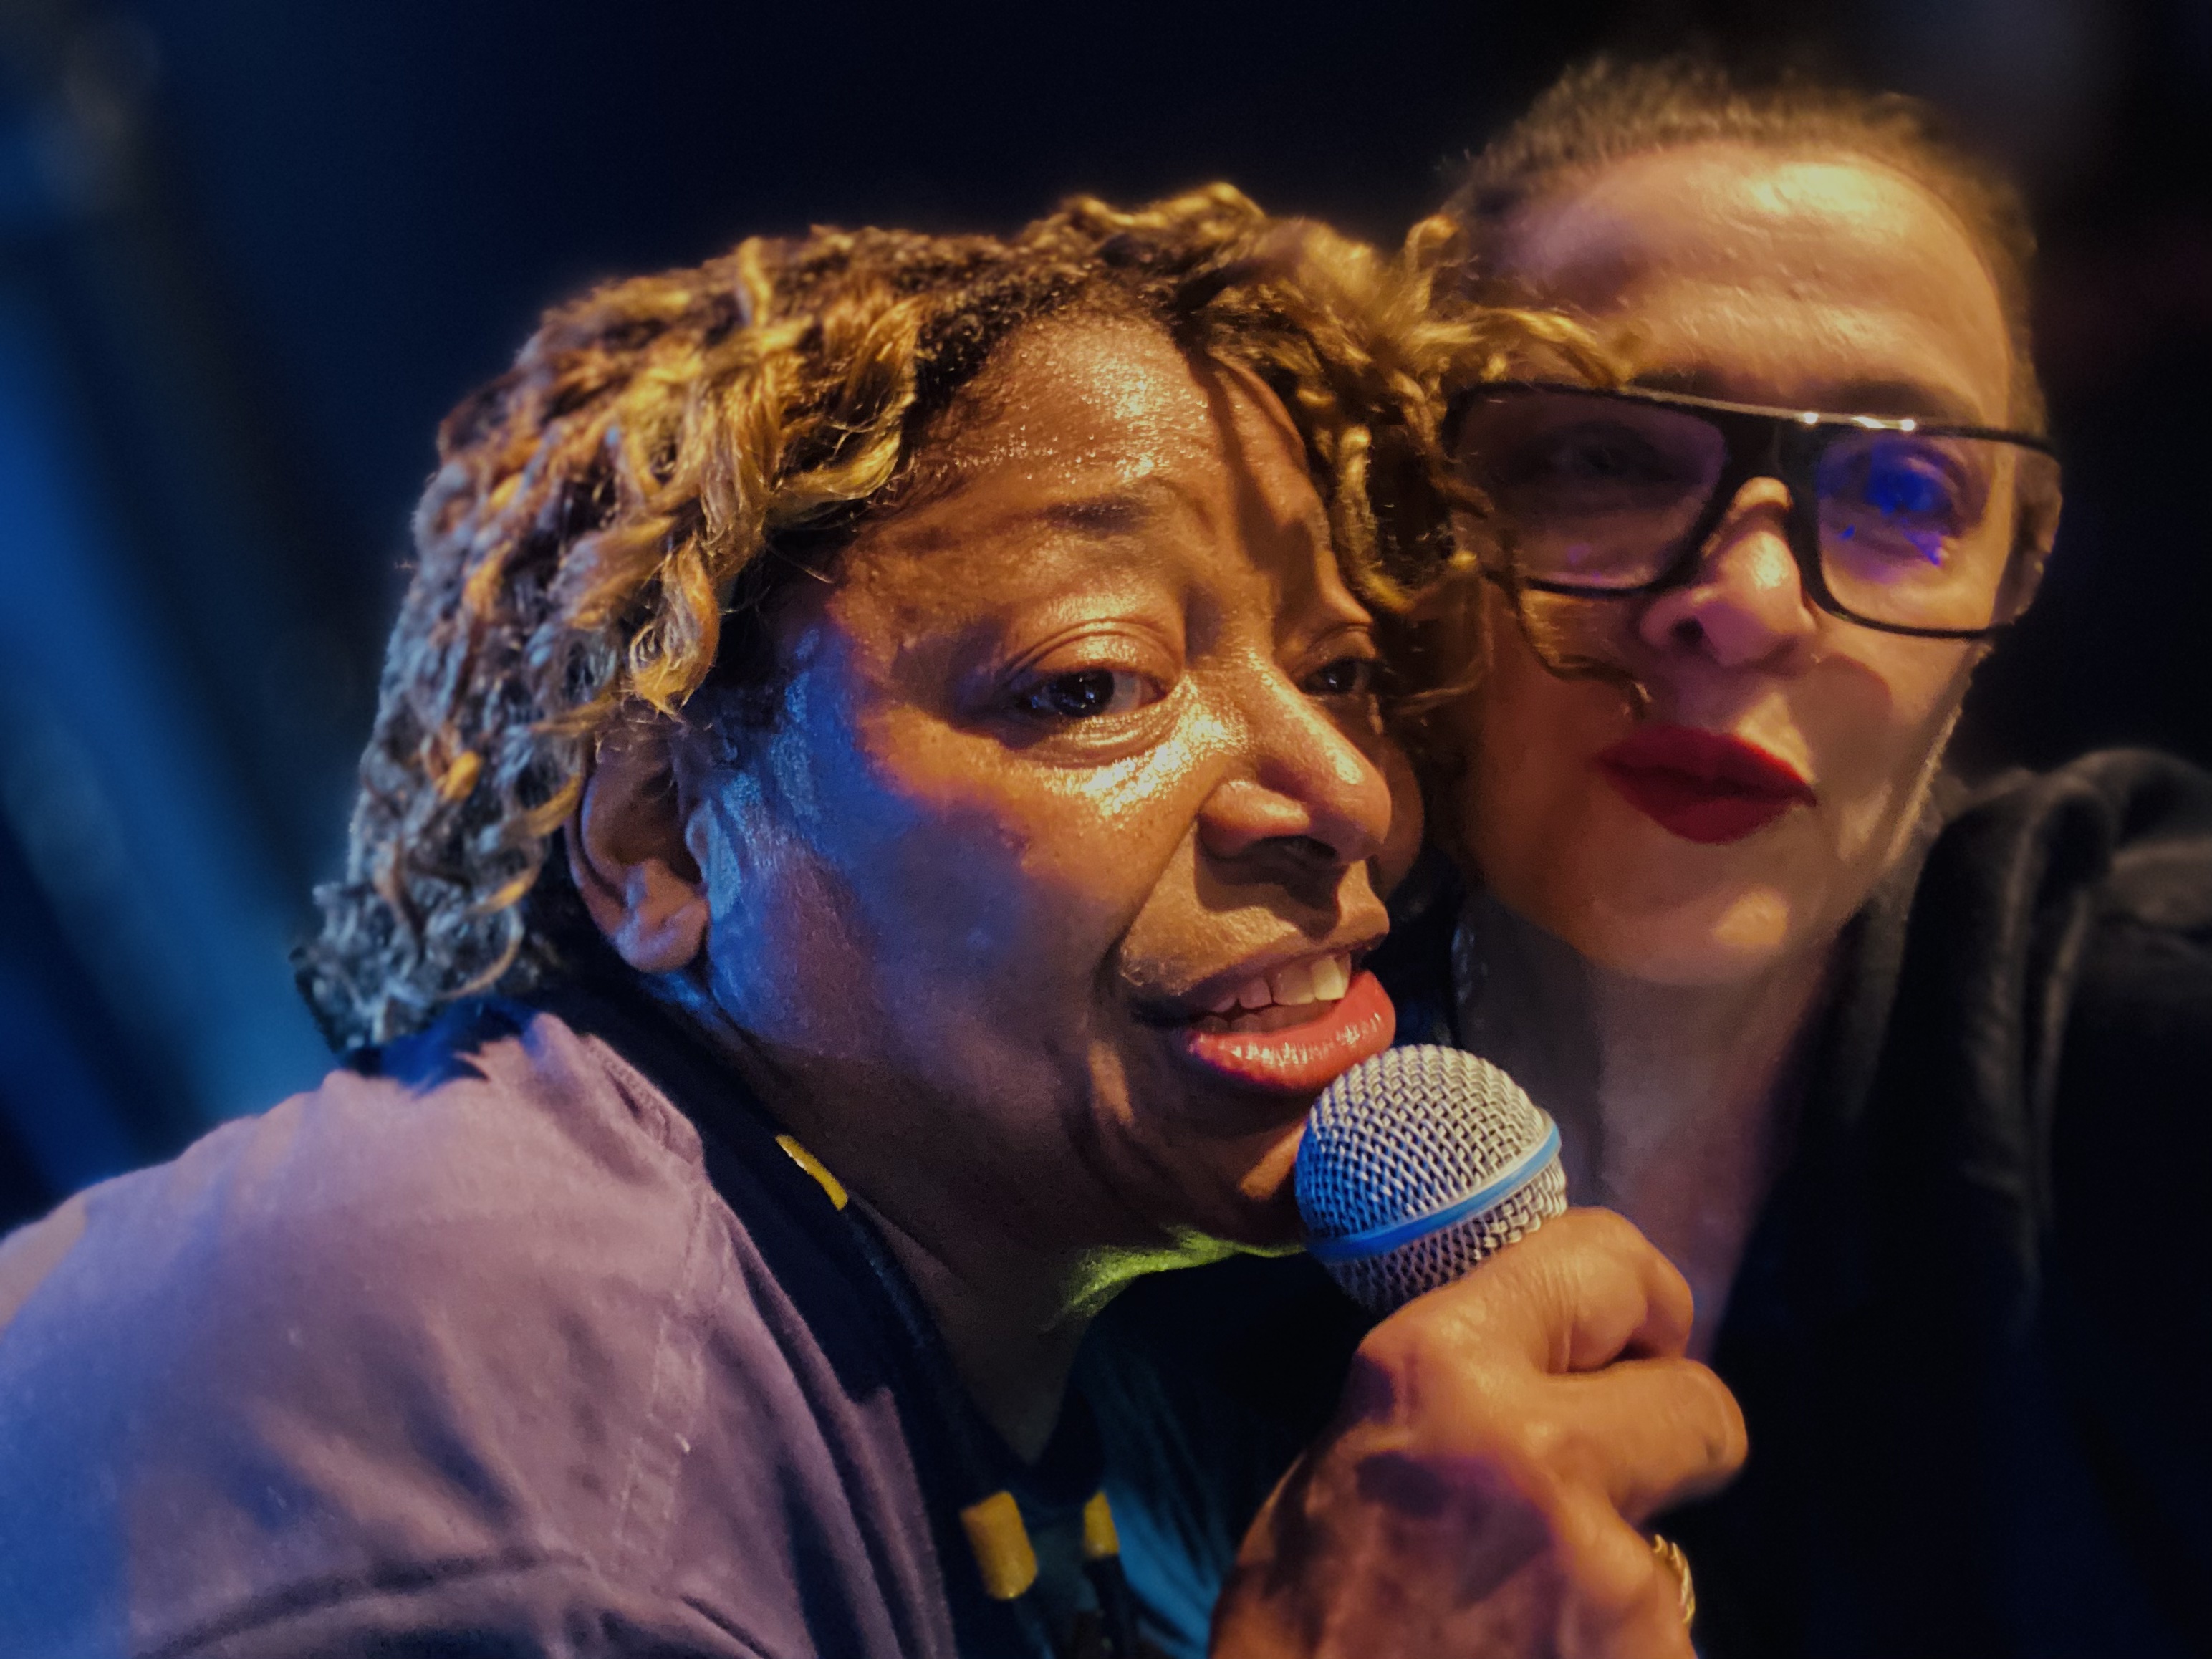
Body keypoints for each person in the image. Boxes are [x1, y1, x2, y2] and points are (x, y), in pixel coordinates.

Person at [0, 188, 1742, 1658]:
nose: (1348, 792)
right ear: (664, 847)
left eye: (1340, 671)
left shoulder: (1021, 1366)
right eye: (1092, 684)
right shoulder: (551, 1484)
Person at [1106, 57, 2212, 1659]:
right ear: (1400, 519)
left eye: (1906, 487)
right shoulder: (1147, 1144)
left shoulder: (2146, 1052)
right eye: (1601, 460)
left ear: (2011, 581)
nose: (1746, 604)